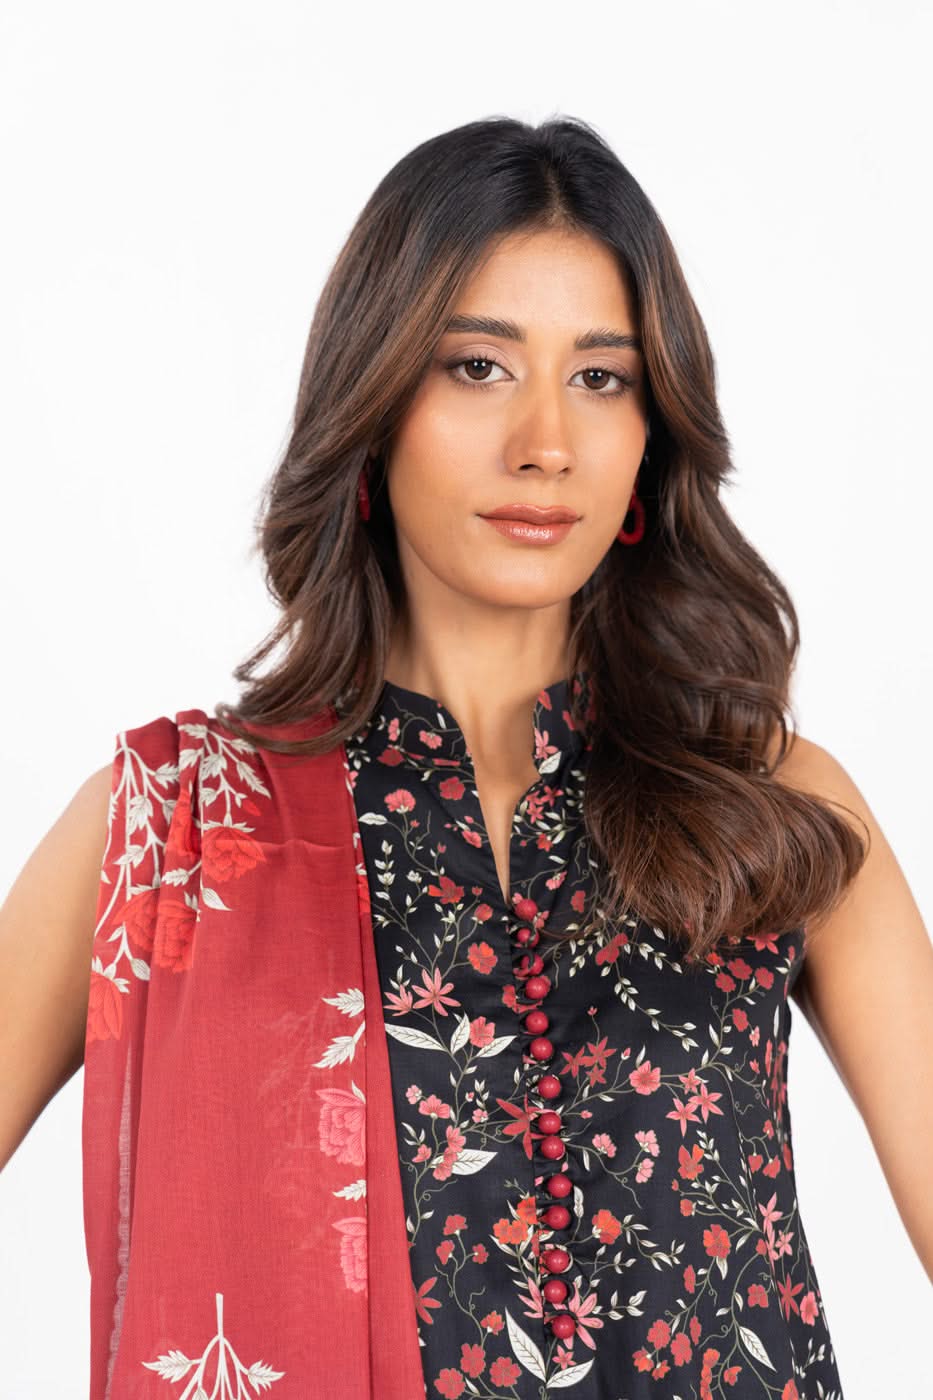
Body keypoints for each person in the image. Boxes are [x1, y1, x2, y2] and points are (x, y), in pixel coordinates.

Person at [2, 114, 931, 1400]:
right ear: (376, 401)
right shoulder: (171, 831)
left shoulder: (773, 806)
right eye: (479, 366)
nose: (546, 440)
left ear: (652, 434)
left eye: (601, 378)